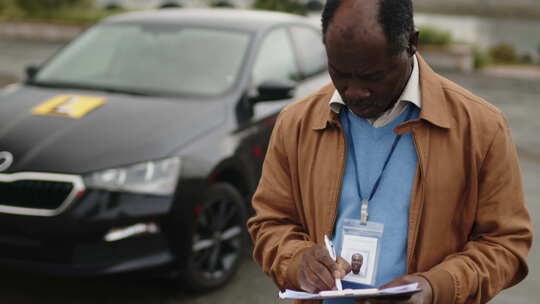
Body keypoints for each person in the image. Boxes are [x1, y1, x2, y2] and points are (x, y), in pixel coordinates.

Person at [247, 0, 533, 303]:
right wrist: (296, 261)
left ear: (411, 43)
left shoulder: (481, 128)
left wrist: (436, 288)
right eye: (339, 72)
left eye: (372, 76)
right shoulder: (297, 123)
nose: (355, 91)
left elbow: (505, 245)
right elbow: (269, 224)